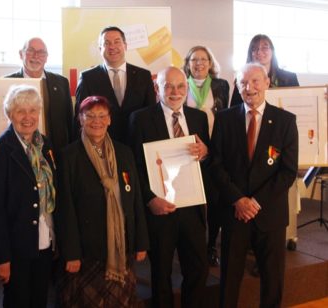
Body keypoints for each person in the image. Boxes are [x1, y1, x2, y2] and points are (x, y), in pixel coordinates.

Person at [211, 63, 298, 308]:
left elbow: (287, 172)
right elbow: (216, 165)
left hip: (269, 215)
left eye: (255, 81)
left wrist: (255, 203)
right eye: (243, 83)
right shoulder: (224, 119)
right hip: (234, 212)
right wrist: (238, 200)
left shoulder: (285, 121)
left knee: (272, 280)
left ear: (267, 82)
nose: (249, 88)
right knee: (229, 279)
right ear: (237, 87)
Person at [55, 96, 149, 307]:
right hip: (87, 252)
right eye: (90, 116)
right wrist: (71, 253)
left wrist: (141, 242)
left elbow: (135, 200)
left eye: (101, 116)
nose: (96, 121)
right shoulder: (69, 156)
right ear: (80, 119)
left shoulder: (124, 152)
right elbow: (65, 209)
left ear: (109, 120)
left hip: (121, 247)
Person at [128, 67, 209, 308]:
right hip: (160, 211)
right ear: (157, 88)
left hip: (192, 210)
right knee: (161, 275)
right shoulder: (140, 119)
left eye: (180, 86)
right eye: (168, 86)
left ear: (187, 88)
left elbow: (208, 160)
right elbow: (134, 168)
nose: (175, 92)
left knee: (198, 270)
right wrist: (149, 199)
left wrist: (205, 153)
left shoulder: (199, 118)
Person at [0, 85, 56, 307]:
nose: (28, 117)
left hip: (44, 240)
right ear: (9, 114)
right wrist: (2, 258)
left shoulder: (45, 144)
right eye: (20, 111)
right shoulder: (0, 151)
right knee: (18, 301)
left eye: (33, 111)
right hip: (17, 247)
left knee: (40, 299)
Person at [183, 45, 230, 267]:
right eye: (194, 60)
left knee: (215, 201)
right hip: (188, 151)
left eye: (203, 59)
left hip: (215, 149)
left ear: (210, 63)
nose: (199, 63)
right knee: (190, 200)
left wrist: (213, 149)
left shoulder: (221, 86)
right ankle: (189, 244)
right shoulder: (181, 85)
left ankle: (211, 245)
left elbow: (227, 116)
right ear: (188, 63)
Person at [74, 26, 156, 144]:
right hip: (100, 145)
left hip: (137, 145)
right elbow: (79, 117)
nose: (112, 47)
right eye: (106, 43)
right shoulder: (88, 78)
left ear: (125, 46)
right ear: (100, 48)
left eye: (117, 42)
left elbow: (151, 114)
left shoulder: (143, 76)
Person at [6, 37, 74, 153]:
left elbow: (70, 121)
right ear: (21, 54)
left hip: (56, 152)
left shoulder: (61, 82)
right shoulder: (7, 83)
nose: (36, 56)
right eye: (31, 51)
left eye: (41, 52)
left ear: (46, 57)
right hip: (19, 152)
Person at [230, 34, 299, 106]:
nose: (259, 52)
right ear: (250, 54)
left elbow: (298, 105)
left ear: (272, 51)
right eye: (254, 49)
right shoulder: (242, 79)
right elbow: (234, 111)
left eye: (265, 48)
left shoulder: (290, 78)